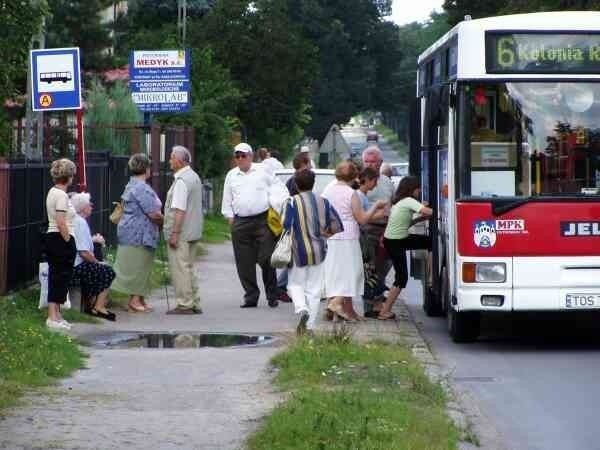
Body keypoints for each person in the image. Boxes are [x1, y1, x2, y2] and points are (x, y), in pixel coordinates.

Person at [222, 142, 288, 308]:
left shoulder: (263, 171)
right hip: (241, 221)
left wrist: (279, 207)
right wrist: (231, 219)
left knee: (266, 258)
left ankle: (272, 295)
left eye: (243, 155)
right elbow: (227, 199)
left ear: (250, 156)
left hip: (262, 220)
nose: (240, 159)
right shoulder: (231, 175)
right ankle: (251, 296)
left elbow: (278, 189)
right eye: (237, 156)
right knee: (244, 262)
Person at [321, 161, 386, 321]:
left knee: (336, 273)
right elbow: (362, 219)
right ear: (354, 176)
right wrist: (376, 206)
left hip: (332, 236)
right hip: (348, 236)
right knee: (352, 273)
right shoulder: (351, 193)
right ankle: (336, 303)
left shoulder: (328, 191)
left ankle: (340, 309)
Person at [282, 169, 343, 334]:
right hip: (319, 251)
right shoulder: (324, 202)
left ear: (295, 184)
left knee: (294, 284)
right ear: (313, 183)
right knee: (315, 290)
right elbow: (337, 225)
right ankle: (310, 327)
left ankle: (302, 309)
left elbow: (286, 225)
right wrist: (326, 234)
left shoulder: (292, 202)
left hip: (297, 251)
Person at [111, 153, 164, 312]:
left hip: (132, 230)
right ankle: (134, 301)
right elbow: (153, 213)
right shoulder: (141, 188)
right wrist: (165, 222)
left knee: (141, 265)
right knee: (139, 266)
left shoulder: (131, 184)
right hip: (139, 233)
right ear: (146, 169)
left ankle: (139, 299)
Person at [378, 176, 432, 320]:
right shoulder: (409, 201)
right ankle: (385, 311)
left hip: (396, 239)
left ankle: (431, 273)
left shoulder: (400, 202)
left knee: (429, 242)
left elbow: (405, 224)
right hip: (397, 242)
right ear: (412, 188)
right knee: (401, 278)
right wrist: (429, 207)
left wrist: (420, 218)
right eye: (418, 188)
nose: (419, 191)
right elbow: (428, 212)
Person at [163, 145, 204, 315]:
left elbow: (179, 210)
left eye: (172, 157)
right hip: (193, 230)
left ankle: (184, 303)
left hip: (182, 232)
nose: (170, 161)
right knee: (190, 267)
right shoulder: (193, 176)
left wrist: (174, 233)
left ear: (179, 161)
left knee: (180, 268)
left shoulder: (181, 181)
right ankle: (194, 302)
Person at [70, 192, 116, 321]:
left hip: (73, 264)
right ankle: (99, 306)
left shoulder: (77, 221)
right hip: (76, 266)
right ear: (83, 207)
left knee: (100, 268)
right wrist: (97, 262)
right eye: (89, 204)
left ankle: (92, 303)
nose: (92, 206)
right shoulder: (80, 223)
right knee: (108, 271)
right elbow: (83, 252)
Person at [44, 158, 77, 330]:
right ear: (69, 176)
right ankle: (52, 317)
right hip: (60, 238)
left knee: (58, 276)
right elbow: (61, 221)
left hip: (54, 238)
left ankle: (56, 315)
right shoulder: (62, 196)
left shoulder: (53, 192)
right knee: (59, 276)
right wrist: (68, 240)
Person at [362, 146, 395, 284]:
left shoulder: (387, 182)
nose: (369, 164)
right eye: (366, 161)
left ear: (380, 162)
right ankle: (371, 300)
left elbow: (393, 201)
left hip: (386, 229)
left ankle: (377, 292)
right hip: (368, 229)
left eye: (373, 161)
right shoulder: (360, 182)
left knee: (386, 263)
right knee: (369, 266)